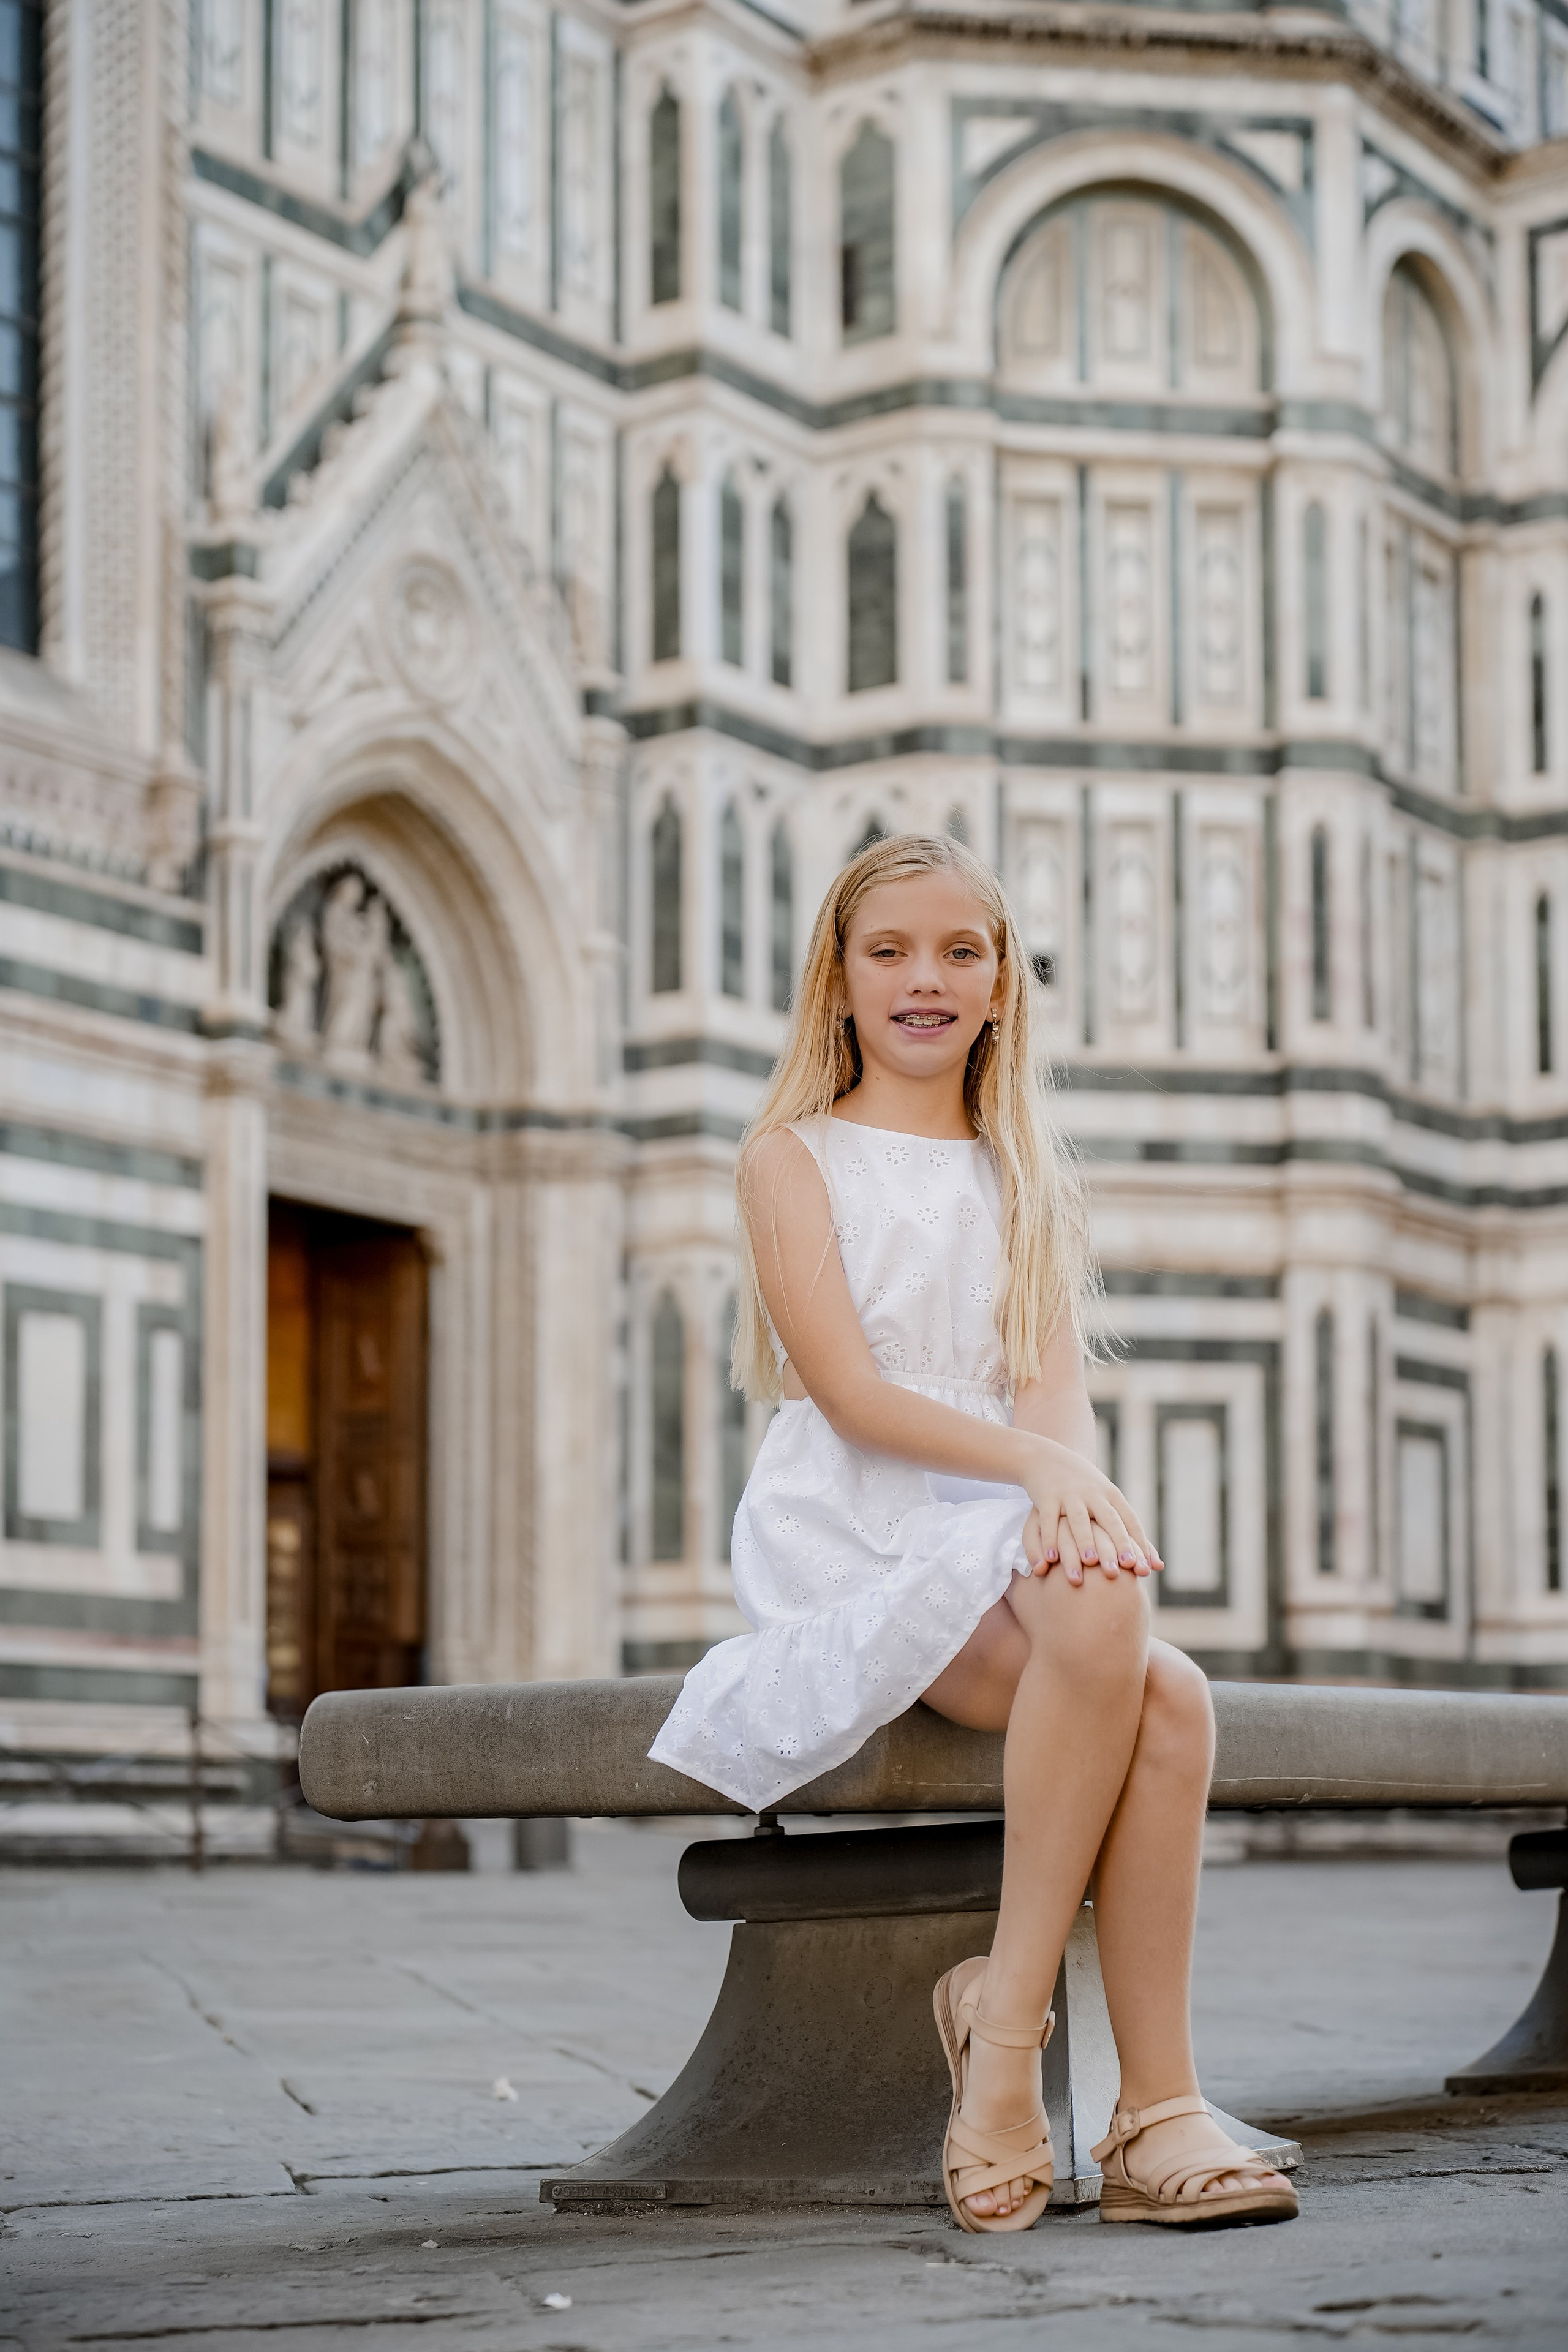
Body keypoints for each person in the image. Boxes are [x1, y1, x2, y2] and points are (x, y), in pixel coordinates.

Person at [650, 833, 1297, 2235]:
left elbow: (1051, 1405)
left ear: (1003, 985)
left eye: (960, 952)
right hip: (865, 1521)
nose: (924, 979)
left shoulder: (1023, 1179)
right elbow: (852, 1395)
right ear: (836, 978)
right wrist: (1034, 1475)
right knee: (1157, 1686)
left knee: (1152, 1671)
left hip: (994, 1522)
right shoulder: (791, 1157)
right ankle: (1068, 2071)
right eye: (887, 951)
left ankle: (1098, 2078)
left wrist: (1067, 1495)